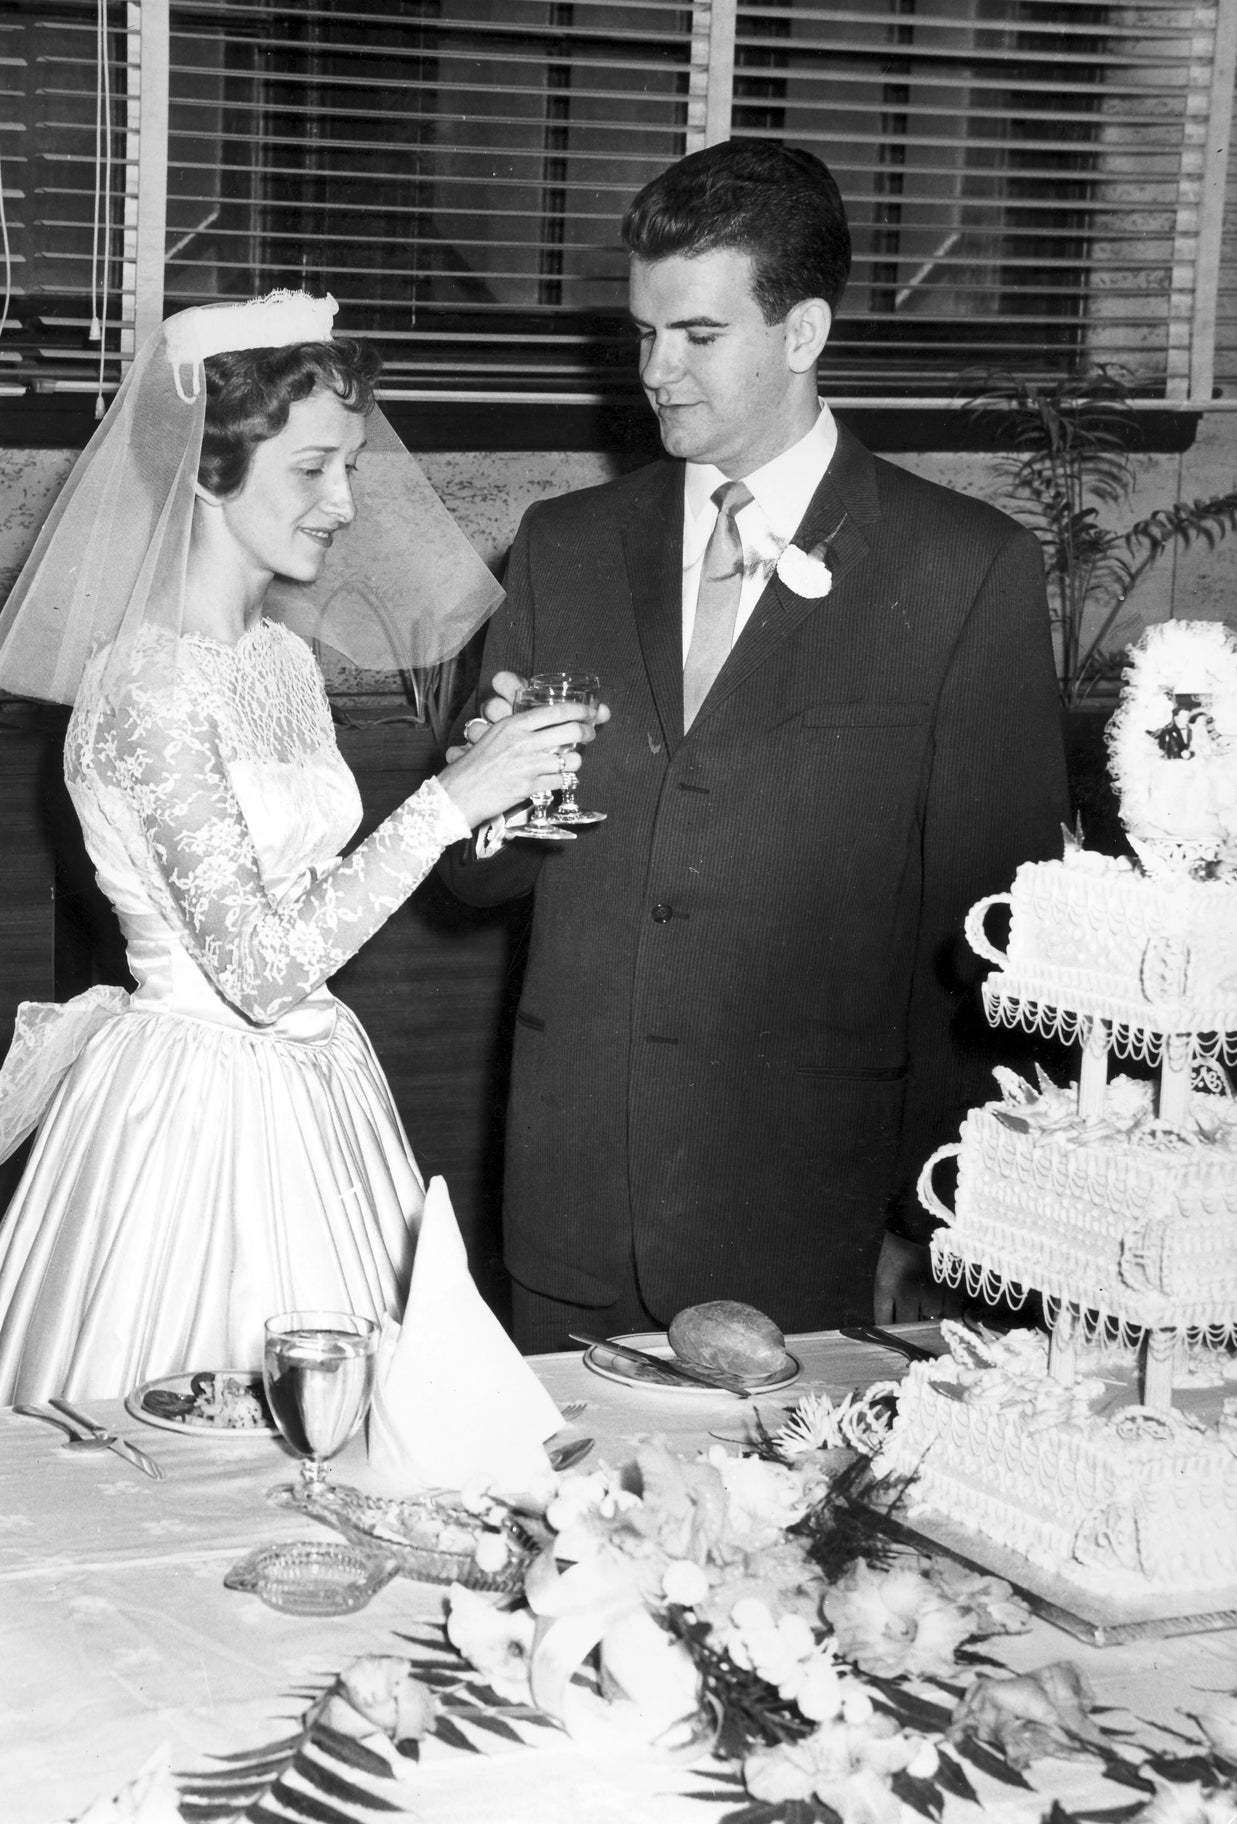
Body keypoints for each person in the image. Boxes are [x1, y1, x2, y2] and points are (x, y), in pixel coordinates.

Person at [441, 140, 1071, 1353]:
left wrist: (934, 1219)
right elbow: (477, 879)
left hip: (811, 1224)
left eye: (695, 336)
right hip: (574, 1213)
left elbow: (993, 947)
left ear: (801, 332)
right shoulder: (563, 546)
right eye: (640, 334)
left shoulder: (962, 571)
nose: (654, 373)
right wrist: (485, 796)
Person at [0, 290, 595, 1407]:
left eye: (349, 467)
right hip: (190, 1117)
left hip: (317, 1082)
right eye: (311, 469)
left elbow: (305, 898)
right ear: (206, 467)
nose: (343, 501)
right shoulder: (146, 685)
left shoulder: (280, 661)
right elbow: (254, 972)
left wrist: (490, 803)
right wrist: (444, 804)